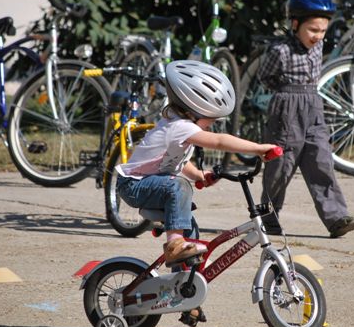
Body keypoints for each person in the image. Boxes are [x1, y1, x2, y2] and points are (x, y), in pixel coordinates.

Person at [116, 60, 278, 267]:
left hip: (147, 182)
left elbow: (174, 161)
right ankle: (174, 246)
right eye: (212, 119)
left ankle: (182, 276)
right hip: (133, 185)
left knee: (188, 226)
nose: (212, 124)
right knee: (179, 186)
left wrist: (199, 176)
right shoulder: (180, 127)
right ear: (195, 110)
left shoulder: (179, 128)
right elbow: (220, 141)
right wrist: (259, 148)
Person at [257, 0, 354, 238]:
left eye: (322, 31)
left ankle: (336, 218)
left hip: (314, 105)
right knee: (281, 165)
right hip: (286, 108)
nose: (318, 36)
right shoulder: (279, 50)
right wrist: (285, 95)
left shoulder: (318, 45)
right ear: (295, 24)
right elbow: (265, 76)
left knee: (321, 161)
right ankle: (268, 216)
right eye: (313, 30)